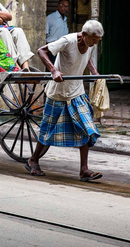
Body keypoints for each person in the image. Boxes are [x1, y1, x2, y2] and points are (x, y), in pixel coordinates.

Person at [25, 20, 104, 182]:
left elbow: (87, 58)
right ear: (83, 35)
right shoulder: (68, 41)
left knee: (87, 128)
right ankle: (33, 159)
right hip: (58, 93)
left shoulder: (90, 43)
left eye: (98, 40)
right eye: (94, 39)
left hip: (77, 92)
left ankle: (84, 170)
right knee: (47, 131)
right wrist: (53, 70)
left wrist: (94, 72)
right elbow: (42, 51)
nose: (95, 43)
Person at [45, 0, 70, 64]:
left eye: (67, 7)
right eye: (64, 6)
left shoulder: (65, 19)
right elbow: (45, 34)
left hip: (62, 49)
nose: (65, 9)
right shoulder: (50, 18)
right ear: (59, 5)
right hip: (52, 48)